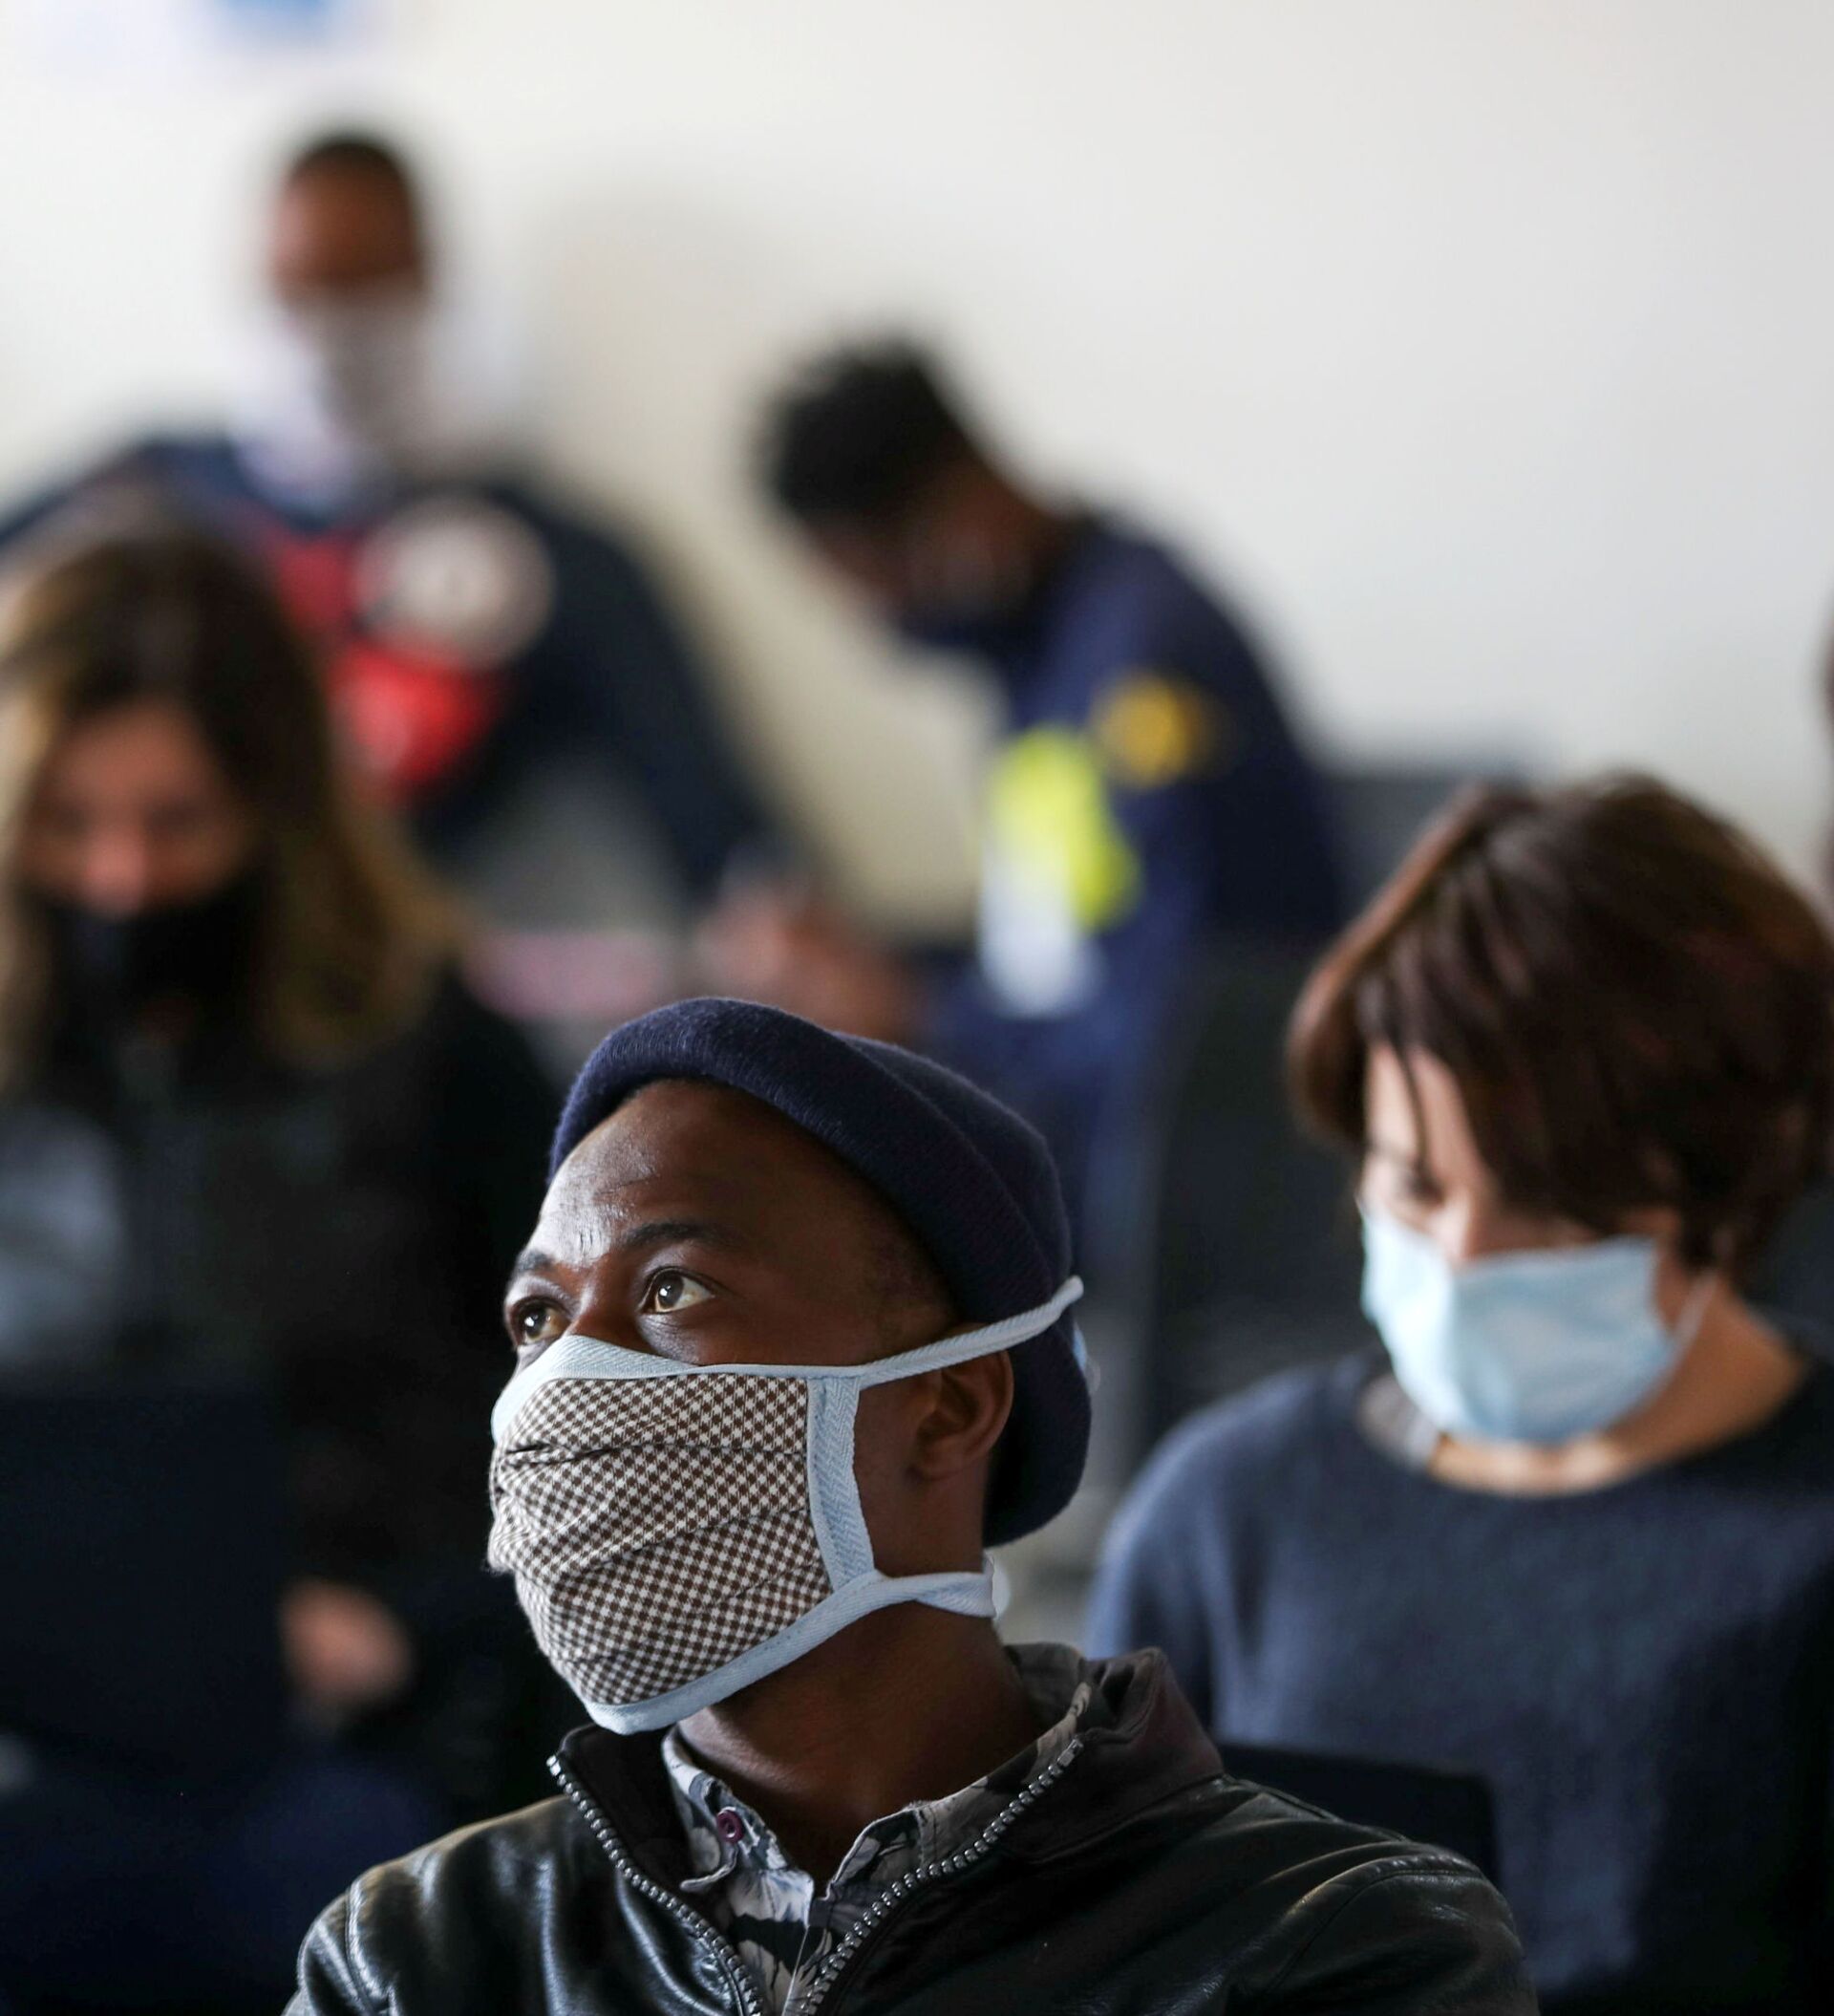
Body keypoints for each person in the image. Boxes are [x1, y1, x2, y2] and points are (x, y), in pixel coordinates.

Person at [288, 993, 1530, 2015]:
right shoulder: (419, 1954)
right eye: (537, 1316)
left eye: (673, 1290)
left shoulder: (1335, 1945)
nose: (567, 1381)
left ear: (947, 1406)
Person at [1087, 775, 1834, 2014]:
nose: (1467, 1255)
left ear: (1726, 1183)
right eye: (1417, 1186)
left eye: (1545, 1197)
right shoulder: (1225, 1517)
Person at [0, 531, 557, 2011]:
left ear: (276, 807)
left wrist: (403, 1623)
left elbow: (592, 1428)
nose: (120, 876)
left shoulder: (430, 1045)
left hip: (358, 1730)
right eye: (67, 823)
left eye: (175, 822)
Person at [0, 128, 774, 904]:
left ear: (428, 284)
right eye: (301, 293)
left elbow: (723, 841)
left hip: (379, 951)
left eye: (367, 292)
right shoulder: (140, 496)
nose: (331, 334)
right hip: (111, 929)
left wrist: (767, 909)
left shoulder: (547, 564)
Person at [710, 341, 1342, 1221]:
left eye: (884, 584)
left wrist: (922, 1016)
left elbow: (1185, 1030)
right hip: (1085, 1137)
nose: (883, 626)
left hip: (1184, 1190)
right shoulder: (1040, 656)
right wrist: (868, 967)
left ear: (962, 515)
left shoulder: (1146, 670)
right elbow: (1053, 961)